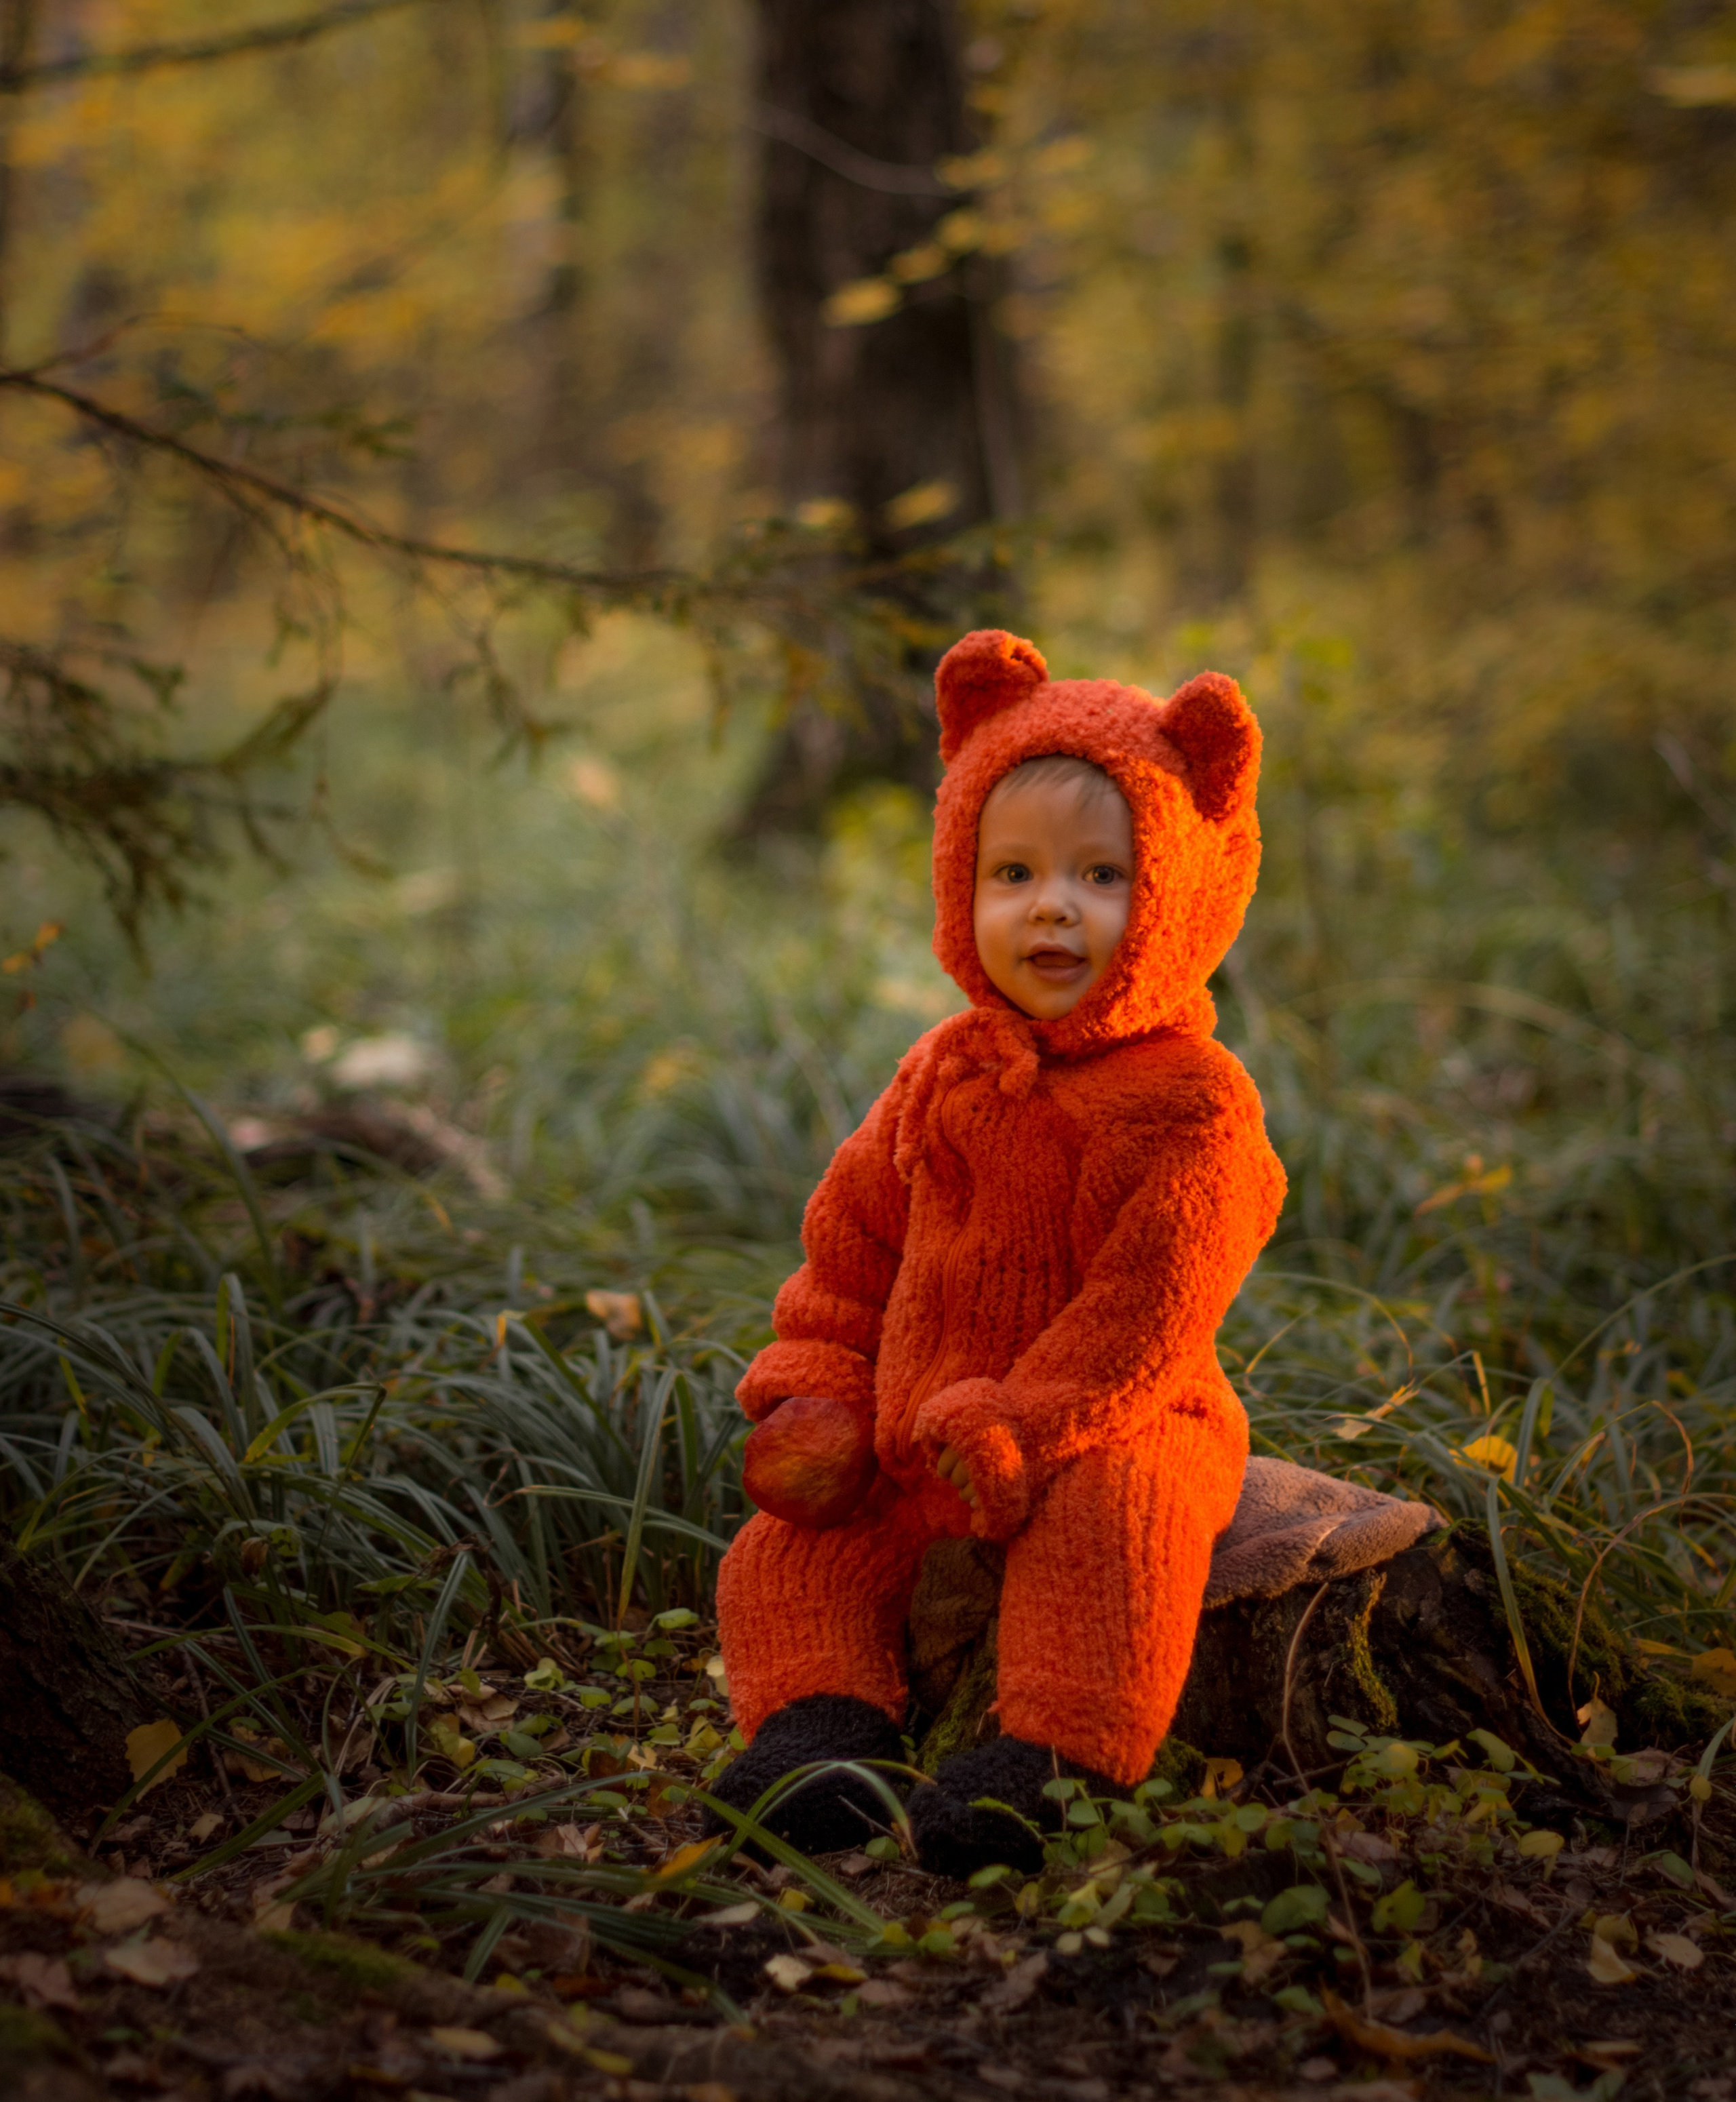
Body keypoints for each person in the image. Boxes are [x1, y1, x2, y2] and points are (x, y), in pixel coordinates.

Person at [707, 627, 1287, 1874]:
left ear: (1180, 894)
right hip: (930, 1434)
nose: (1051, 908)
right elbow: (852, 1245)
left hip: (1104, 1422)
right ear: (961, 887)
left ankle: (1054, 1760)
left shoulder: (1190, 1103)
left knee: (1116, 1529)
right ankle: (824, 1733)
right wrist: (825, 1385)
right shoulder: (944, 1071)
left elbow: (1150, 1309)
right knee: (789, 1550)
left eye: (1103, 876)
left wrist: (1024, 1424)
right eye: (1013, 872)